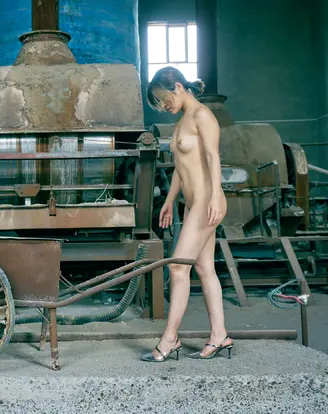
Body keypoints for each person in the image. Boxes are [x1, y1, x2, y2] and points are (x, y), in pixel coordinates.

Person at [140, 66, 233, 362]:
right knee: (205, 269)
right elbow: (182, 167)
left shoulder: (202, 115)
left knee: (178, 268)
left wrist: (216, 195)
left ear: (178, 87)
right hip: (193, 204)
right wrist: (170, 200)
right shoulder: (182, 122)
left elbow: (213, 157)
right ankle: (219, 336)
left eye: (163, 99)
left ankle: (170, 340)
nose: (162, 106)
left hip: (207, 201)